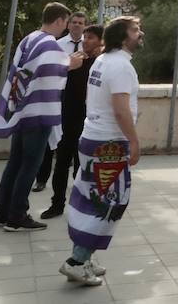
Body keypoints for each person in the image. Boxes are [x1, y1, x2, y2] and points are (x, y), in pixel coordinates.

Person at [62, 15, 144, 286]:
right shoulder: (120, 66)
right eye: (135, 30)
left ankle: (83, 257)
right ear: (123, 37)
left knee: (92, 199)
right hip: (109, 143)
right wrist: (133, 141)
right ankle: (76, 261)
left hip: (93, 138)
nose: (140, 33)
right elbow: (121, 110)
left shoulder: (102, 60)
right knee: (109, 203)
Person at [0, 1, 78, 232]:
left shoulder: (29, 39)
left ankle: (1, 212)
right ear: (59, 20)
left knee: (15, 163)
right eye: (66, 23)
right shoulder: (49, 44)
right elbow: (51, 72)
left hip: (20, 110)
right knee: (30, 165)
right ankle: (17, 215)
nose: (66, 28)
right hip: (38, 112)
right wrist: (72, 64)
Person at [40, 23, 102, 220]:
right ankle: (57, 204)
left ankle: (83, 205)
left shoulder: (102, 65)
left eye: (91, 37)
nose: (86, 40)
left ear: (102, 41)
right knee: (61, 165)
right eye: (85, 36)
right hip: (67, 120)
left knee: (83, 167)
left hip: (89, 123)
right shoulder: (73, 61)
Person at [36, 9, 90, 191]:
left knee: (77, 144)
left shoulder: (88, 47)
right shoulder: (57, 44)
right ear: (68, 24)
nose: (77, 25)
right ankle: (42, 178)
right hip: (58, 99)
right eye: (74, 22)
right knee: (50, 142)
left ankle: (77, 180)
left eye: (81, 23)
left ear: (85, 26)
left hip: (80, 103)